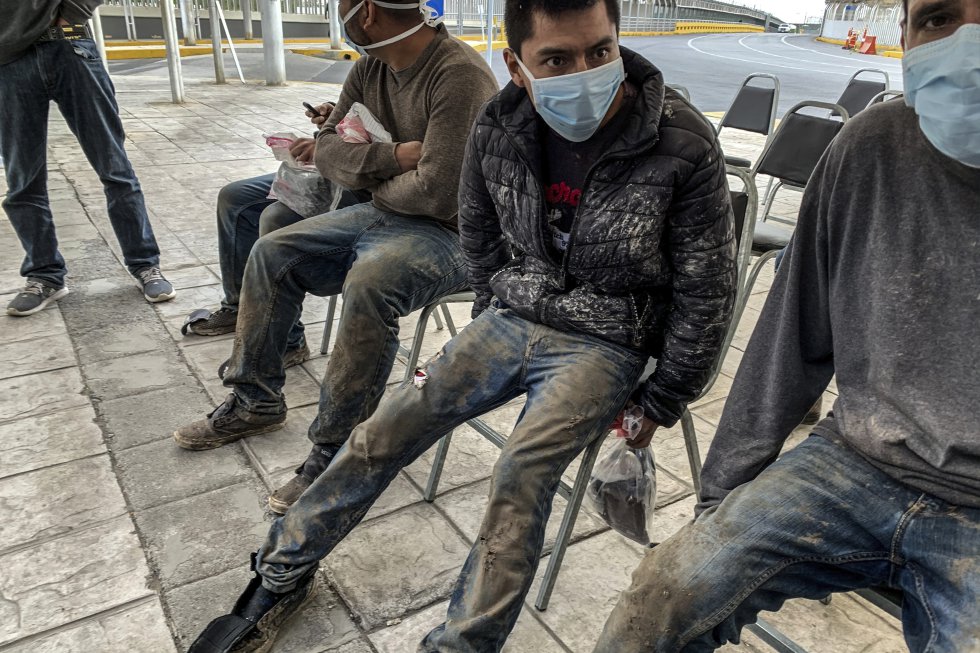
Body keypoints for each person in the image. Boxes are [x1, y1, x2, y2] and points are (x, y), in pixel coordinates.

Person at [188, 0, 736, 651]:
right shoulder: (501, 124)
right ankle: (279, 574)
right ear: (517, 64)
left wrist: (665, 396)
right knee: (389, 424)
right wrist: (490, 311)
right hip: (512, 314)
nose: (586, 72)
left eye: (600, 51)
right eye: (557, 59)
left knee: (520, 474)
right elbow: (478, 231)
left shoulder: (680, 140)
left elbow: (708, 286)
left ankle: (460, 644)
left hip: (605, 340)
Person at [595, 1, 980, 650]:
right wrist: (718, 508)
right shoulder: (868, 150)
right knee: (663, 592)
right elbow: (788, 341)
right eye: (939, 17)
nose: (967, 43)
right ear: (908, 38)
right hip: (855, 462)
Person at [172, 0, 500, 516]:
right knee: (271, 249)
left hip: (452, 235)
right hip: (384, 209)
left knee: (372, 281)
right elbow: (326, 149)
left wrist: (366, 177)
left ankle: (333, 451)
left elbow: (440, 195)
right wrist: (394, 159)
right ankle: (255, 400)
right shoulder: (372, 64)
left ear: (366, 11)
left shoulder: (458, 76)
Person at [1, 0, 175, 316]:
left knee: (114, 167)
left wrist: (73, 12)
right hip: (8, 60)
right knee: (22, 179)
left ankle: (146, 265)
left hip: (70, 45)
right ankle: (44, 275)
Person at [181, 103, 370, 374]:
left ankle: (287, 341)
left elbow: (404, 149)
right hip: (335, 168)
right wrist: (333, 120)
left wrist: (330, 149)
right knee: (235, 198)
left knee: (276, 219)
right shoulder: (369, 68)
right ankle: (240, 306)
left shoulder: (432, 73)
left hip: (366, 184)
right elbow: (356, 119)